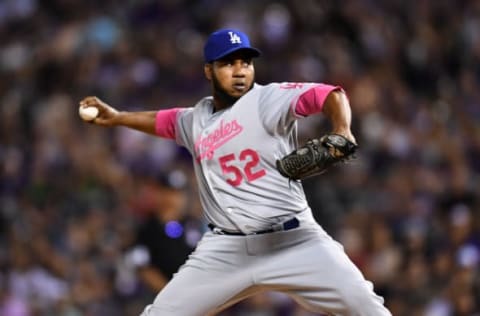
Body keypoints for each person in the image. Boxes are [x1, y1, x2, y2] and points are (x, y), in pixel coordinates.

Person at [79, 28, 392, 316]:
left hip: (295, 241)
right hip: (226, 251)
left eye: (245, 62)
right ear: (208, 71)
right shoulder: (196, 119)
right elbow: (164, 121)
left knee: (368, 309)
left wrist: (343, 129)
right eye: (228, 63)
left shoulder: (268, 98)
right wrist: (119, 118)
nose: (240, 70)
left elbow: (330, 94)